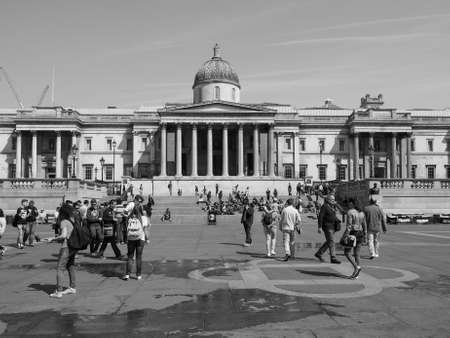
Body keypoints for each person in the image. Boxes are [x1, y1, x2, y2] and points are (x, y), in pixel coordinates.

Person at [49, 204, 78, 298]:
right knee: (70, 266)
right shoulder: (73, 220)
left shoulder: (64, 221)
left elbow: (64, 235)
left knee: (60, 268)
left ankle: (59, 291)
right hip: (73, 247)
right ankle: (72, 287)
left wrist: (52, 239)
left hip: (66, 247)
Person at [123, 206, 150, 280]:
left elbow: (124, 214)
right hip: (140, 239)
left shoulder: (129, 217)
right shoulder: (144, 218)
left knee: (130, 257)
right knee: (139, 257)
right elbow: (145, 230)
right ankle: (138, 275)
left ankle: (127, 274)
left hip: (131, 238)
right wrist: (147, 239)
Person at [315, 195, 342, 264]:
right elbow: (320, 217)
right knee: (332, 241)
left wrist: (337, 205)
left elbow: (341, 211)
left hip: (333, 226)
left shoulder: (332, 206)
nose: (334, 201)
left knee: (329, 241)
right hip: (327, 226)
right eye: (332, 199)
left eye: (334, 199)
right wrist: (319, 227)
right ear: (328, 200)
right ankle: (333, 257)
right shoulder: (324, 206)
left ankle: (319, 253)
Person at [344, 199, 367, 279]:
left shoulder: (350, 212)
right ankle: (357, 272)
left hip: (353, 233)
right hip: (360, 233)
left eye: (349, 203)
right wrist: (365, 235)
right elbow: (364, 224)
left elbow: (349, 226)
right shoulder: (361, 212)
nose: (348, 205)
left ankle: (356, 267)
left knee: (347, 252)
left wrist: (345, 236)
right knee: (357, 253)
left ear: (352, 204)